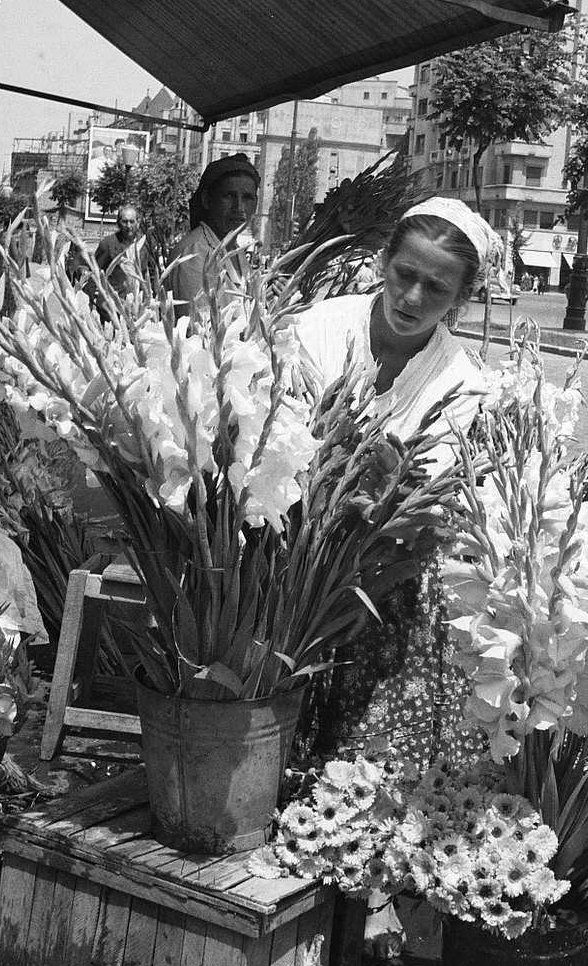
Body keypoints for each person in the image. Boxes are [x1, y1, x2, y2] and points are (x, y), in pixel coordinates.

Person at [289, 197, 494, 771]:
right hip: (284, 548)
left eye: (437, 288)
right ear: (384, 261)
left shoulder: (462, 381)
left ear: (462, 298)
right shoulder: (320, 327)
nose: (412, 299)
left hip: (378, 572)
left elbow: (422, 503)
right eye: (405, 275)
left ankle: (353, 783)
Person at [168, 154, 261, 305]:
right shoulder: (195, 253)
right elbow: (200, 324)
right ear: (206, 199)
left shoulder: (235, 250)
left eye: (247, 198)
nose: (239, 207)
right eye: (229, 196)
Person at [93, 205, 146, 288]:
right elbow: (94, 274)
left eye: (132, 221)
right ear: (118, 223)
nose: (128, 226)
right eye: (124, 222)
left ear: (138, 223)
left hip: (139, 299)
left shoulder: (145, 244)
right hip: (114, 297)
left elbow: (152, 275)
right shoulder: (108, 244)